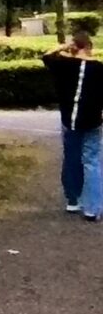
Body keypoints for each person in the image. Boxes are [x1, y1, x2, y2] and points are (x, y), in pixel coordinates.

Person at [44, 21, 103, 218]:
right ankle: (93, 208)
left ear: (73, 47)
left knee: (71, 158)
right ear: (90, 47)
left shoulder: (63, 65)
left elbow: (46, 56)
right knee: (92, 161)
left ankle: (73, 199)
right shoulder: (99, 69)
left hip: (69, 119)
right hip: (93, 120)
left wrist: (64, 46)